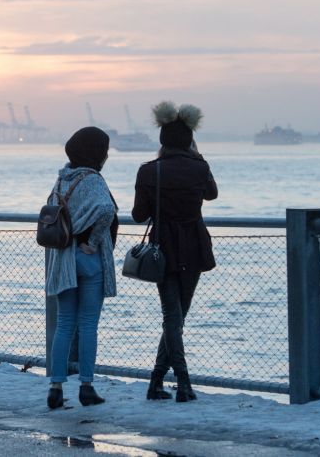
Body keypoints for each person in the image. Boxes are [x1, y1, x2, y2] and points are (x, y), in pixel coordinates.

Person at [132, 102, 218, 403]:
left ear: (162, 140)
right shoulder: (199, 167)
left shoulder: (148, 171)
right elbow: (212, 194)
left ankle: (159, 382)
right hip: (193, 246)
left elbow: (139, 214)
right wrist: (198, 156)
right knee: (177, 316)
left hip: (162, 248)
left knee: (172, 315)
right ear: (189, 140)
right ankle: (181, 381)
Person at [45, 126, 118, 409]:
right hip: (88, 258)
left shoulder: (61, 180)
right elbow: (106, 210)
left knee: (64, 324)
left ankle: (55, 388)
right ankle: (86, 387)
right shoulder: (93, 179)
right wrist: (94, 241)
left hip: (63, 258)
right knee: (88, 324)